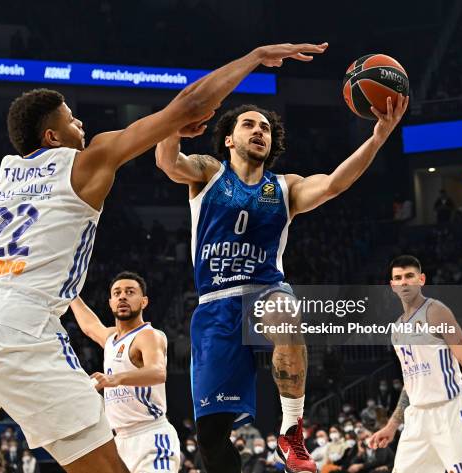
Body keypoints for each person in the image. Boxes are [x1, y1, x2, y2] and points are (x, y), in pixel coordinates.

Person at [0, 42, 314, 473]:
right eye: (71, 119)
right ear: (52, 136)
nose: (80, 123)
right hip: (22, 328)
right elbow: (192, 102)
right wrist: (253, 58)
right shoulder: (87, 161)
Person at [155, 73, 408, 472]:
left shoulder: (284, 187)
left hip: (265, 290)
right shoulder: (208, 173)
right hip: (216, 305)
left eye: (266, 128)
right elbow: (168, 163)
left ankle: (291, 433)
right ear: (228, 139)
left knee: (285, 314)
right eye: (249, 124)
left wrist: (377, 137)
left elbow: (333, 185)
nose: (259, 131)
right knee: (212, 438)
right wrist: (172, 129)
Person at [369, 255, 462, 472]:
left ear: (421, 279)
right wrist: (392, 425)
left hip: (450, 410)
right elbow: (411, 381)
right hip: (417, 418)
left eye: (409, 276)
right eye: (398, 278)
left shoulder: (436, 311)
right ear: (392, 285)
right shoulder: (396, 330)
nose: (404, 281)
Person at [70, 271, 180, 472]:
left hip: (150, 436)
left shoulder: (148, 335)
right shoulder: (111, 338)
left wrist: (115, 379)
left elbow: (157, 372)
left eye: (130, 292)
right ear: (110, 302)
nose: (122, 296)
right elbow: (90, 326)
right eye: (117, 293)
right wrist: (70, 293)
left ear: (144, 301)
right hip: (118, 440)